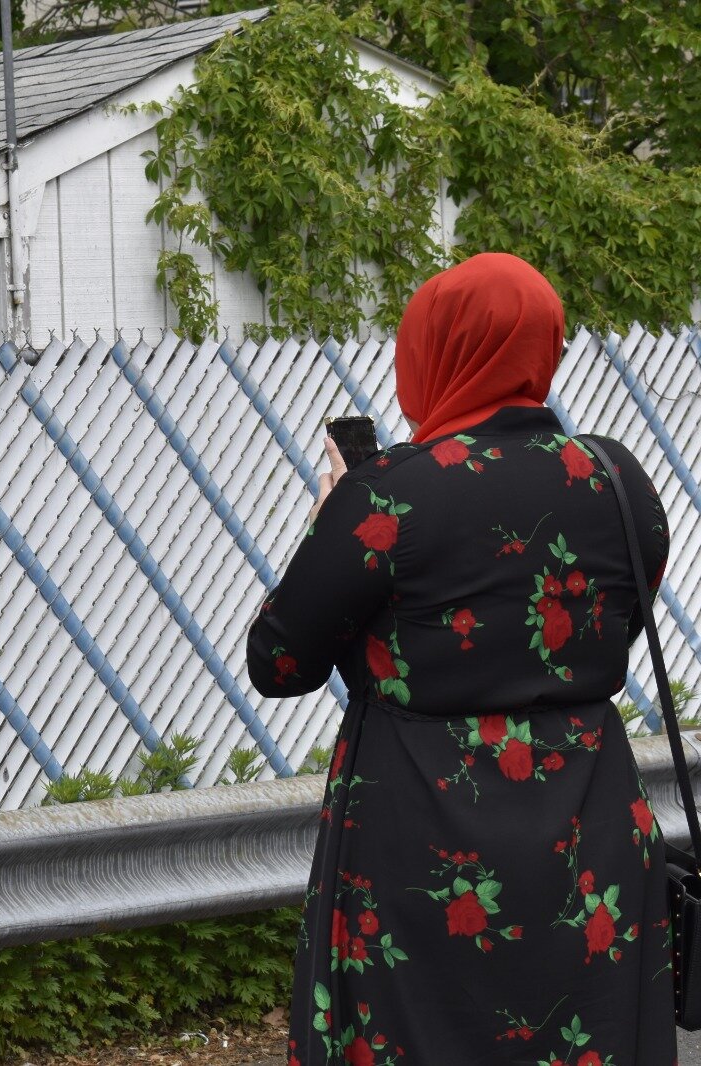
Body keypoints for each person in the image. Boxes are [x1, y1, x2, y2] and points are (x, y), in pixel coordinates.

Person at [248, 252, 675, 1064]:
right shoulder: (620, 479)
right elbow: (609, 630)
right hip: (592, 834)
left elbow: (279, 664)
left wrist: (330, 518)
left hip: (422, 849)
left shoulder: (387, 495)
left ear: (432, 353)